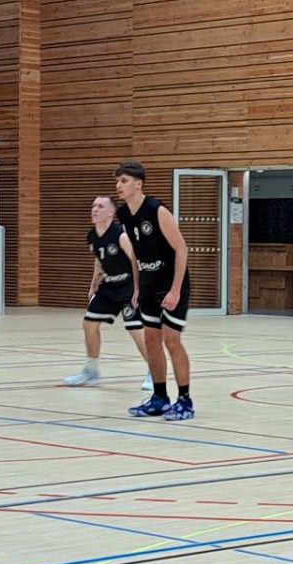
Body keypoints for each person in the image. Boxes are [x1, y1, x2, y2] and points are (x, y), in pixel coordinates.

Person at [114, 162, 195, 420]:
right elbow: (136, 254)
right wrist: (137, 287)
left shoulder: (157, 210)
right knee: (151, 340)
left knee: (172, 339)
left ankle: (185, 401)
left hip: (170, 284)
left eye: (124, 181)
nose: (118, 185)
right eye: (118, 181)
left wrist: (175, 290)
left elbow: (181, 249)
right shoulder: (124, 214)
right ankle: (160, 398)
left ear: (138, 184)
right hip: (148, 284)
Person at [64, 195, 155, 390]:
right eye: (93, 205)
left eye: (100, 206)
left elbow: (136, 261)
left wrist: (138, 289)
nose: (95, 209)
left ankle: (155, 372)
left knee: (135, 330)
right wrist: (93, 285)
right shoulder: (92, 236)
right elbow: (99, 261)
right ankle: (91, 371)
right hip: (109, 286)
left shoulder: (121, 235)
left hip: (128, 286)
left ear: (111, 213)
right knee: (89, 324)